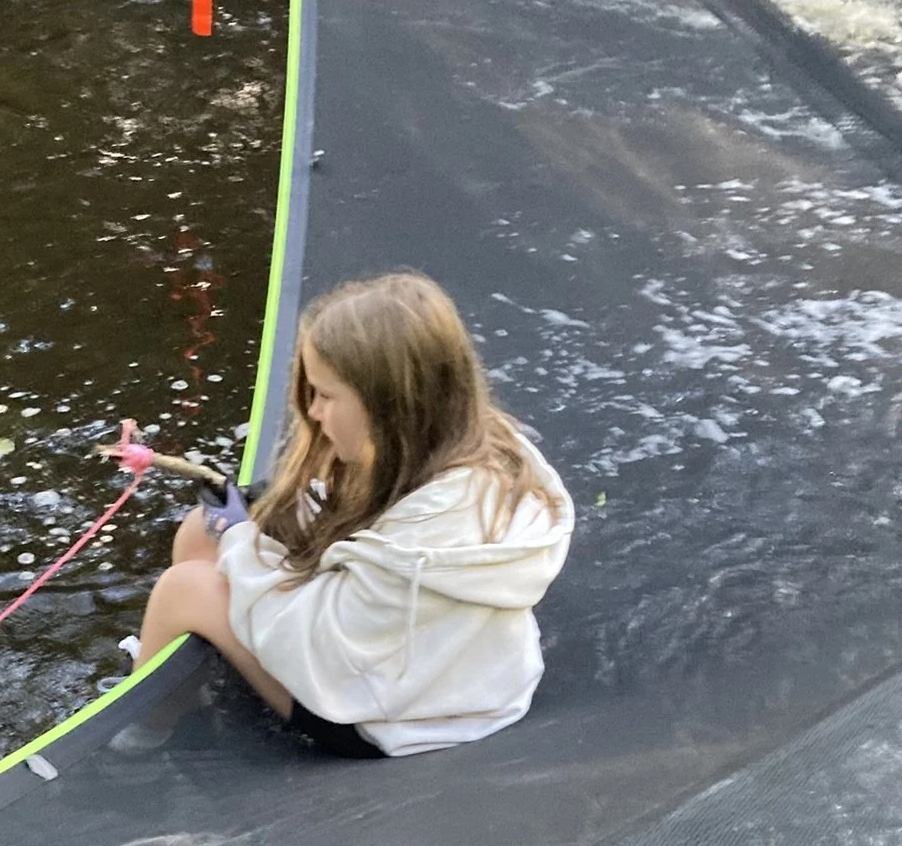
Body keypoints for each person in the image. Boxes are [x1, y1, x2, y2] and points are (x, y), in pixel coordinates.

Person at [134, 270, 574, 758]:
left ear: (387, 406)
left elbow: (328, 651)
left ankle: (140, 741)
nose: (314, 412)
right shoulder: (453, 444)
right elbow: (370, 527)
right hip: (428, 670)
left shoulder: (436, 530)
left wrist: (241, 541)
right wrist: (262, 517)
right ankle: (184, 692)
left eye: (325, 395)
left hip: (388, 716)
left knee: (185, 591)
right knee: (200, 534)